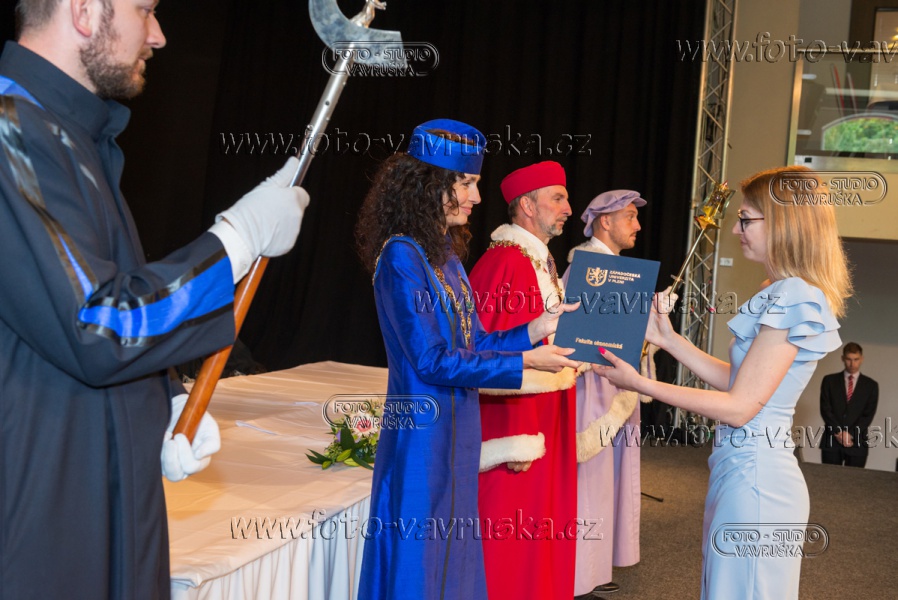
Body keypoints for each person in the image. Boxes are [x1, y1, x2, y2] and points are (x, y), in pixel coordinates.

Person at [0, 2, 309, 598]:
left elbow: (67, 310)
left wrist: (162, 399)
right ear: (85, 12)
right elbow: (97, 325)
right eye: (145, 10)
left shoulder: (71, 136)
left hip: (90, 492)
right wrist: (235, 241)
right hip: (40, 515)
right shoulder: (11, 127)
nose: (159, 35)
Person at [594, 166, 851, 599]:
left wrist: (641, 384)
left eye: (746, 220)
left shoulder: (795, 295)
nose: (735, 230)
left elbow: (739, 406)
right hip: (742, 468)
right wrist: (669, 340)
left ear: (783, 223)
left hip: (758, 478)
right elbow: (739, 380)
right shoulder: (780, 289)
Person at [354, 120, 579, 600]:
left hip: (459, 429)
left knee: (453, 561)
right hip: (420, 438)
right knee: (417, 566)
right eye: (467, 184)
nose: (476, 197)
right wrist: (525, 365)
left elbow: (475, 339)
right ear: (430, 185)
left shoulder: (446, 255)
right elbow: (433, 360)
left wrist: (536, 330)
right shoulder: (401, 257)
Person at [467, 161, 578, 600]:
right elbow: (483, 360)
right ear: (527, 206)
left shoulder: (537, 259)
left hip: (546, 419)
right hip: (519, 429)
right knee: (511, 541)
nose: (568, 208)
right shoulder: (506, 263)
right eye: (558, 198)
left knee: (539, 534)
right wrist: (513, 441)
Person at [564, 190, 647, 599]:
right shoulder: (585, 269)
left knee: (610, 474)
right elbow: (575, 333)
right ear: (605, 221)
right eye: (629, 216)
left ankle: (596, 566)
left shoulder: (616, 270)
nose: (637, 225)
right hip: (592, 386)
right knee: (592, 477)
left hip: (616, 382)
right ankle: (580, 572)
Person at [820, 342, 879, 468]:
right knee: (828, 478)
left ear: (861, 359)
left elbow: (868, 415)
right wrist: (839, 432)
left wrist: (850, 434)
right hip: (832, 440)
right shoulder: (829, 381)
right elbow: (825, 409)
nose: (852, 364)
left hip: (857, 442)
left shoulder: (871, 385)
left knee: (854, 479)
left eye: (856, 359)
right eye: (848, 359)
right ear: (843, 358)